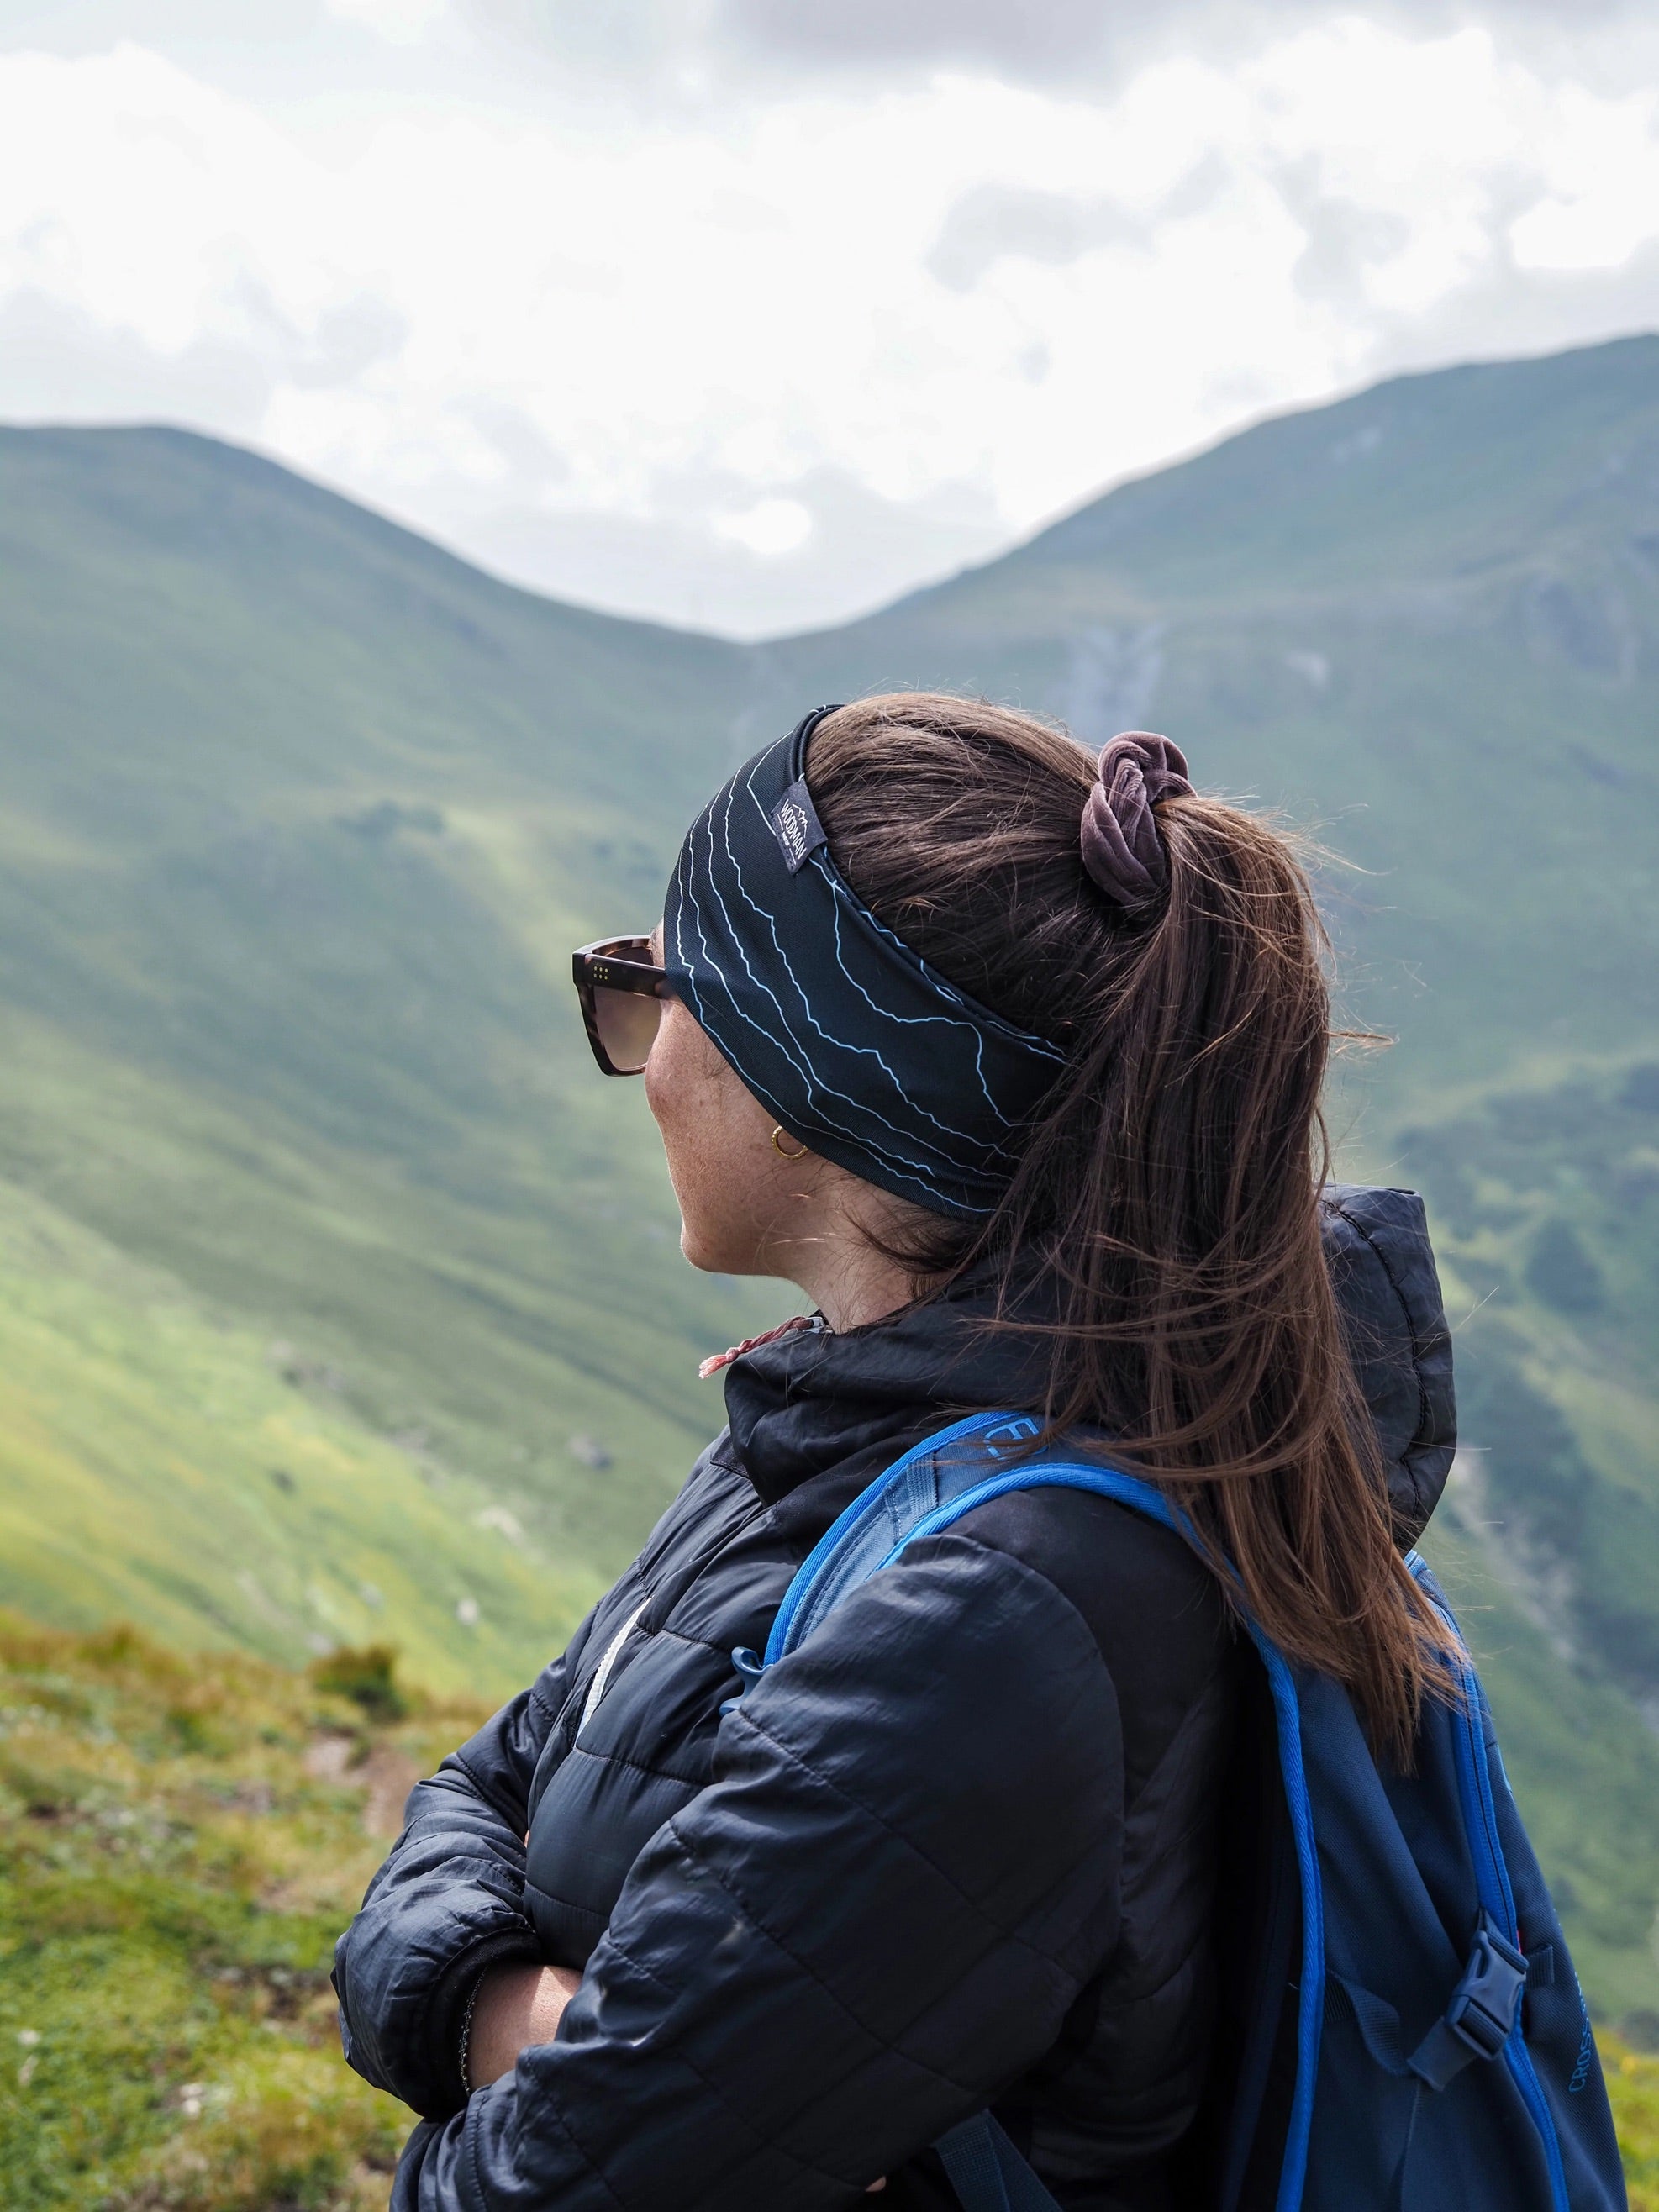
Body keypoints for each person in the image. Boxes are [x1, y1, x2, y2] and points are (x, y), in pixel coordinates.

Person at [332, 694, 1456, 2210]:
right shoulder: (854, 1423)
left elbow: (539, 2188)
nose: (646, 1056)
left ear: (810, 1087)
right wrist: (513, 2016)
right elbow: (497, 1774)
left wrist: (497, 2021)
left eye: (664, 989)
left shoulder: (996, 1604)